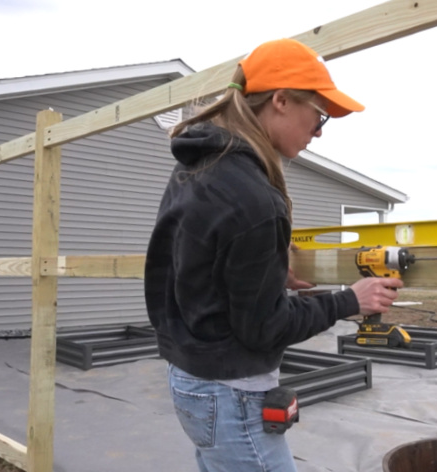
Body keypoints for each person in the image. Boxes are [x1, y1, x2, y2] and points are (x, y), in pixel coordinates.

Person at [144, 38, 403, 472]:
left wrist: (266, 270)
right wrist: (349, 300)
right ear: (281, 100)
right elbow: (265, 329)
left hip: (189, 377)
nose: (318, 132)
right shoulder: (254, 199)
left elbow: (194, 264)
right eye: (318, 116)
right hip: (231, 395)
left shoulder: (199, 165)